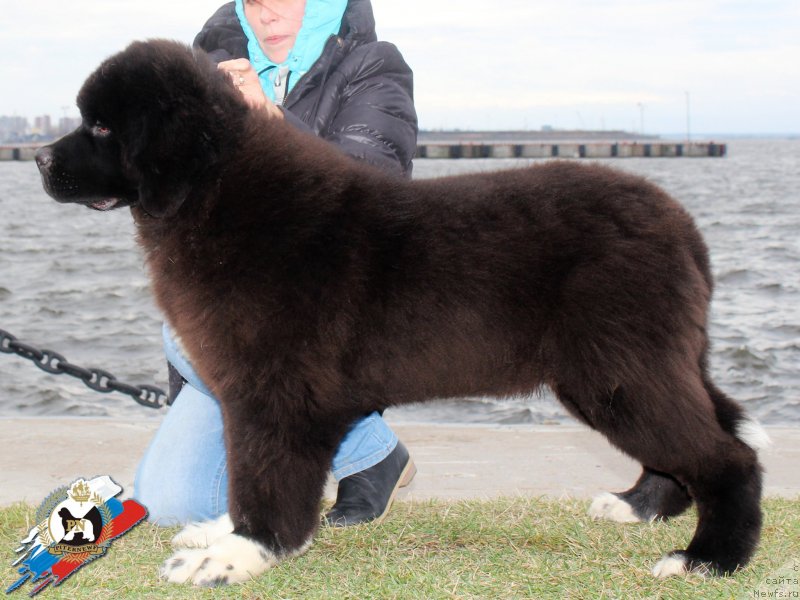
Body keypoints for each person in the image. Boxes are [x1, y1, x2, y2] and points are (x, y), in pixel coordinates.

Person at [134, 0, 418, 528]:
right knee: (171, 506)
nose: (265, 15)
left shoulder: (375, 65)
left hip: (335, 307)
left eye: (281, 2)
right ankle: (373, 449)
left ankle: (361, 452)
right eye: (253, 2)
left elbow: (374, 188)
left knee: (211, 314)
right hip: (242, 319)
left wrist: (268, 120)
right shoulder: (203, 64)